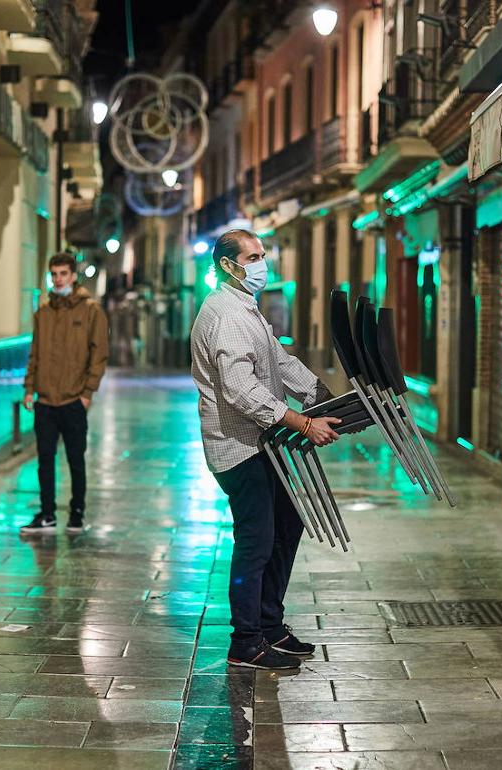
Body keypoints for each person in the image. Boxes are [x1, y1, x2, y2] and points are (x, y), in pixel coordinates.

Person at [190, 229, 340, 670]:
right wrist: (303, 423)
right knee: (256, 542)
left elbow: (280, 360)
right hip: (238, 448)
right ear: (227, 265)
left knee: (287, 525)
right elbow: (240, 390)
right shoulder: (225, 316)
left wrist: (318, 393)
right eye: (252, 257)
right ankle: (246, 641)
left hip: (263, 444)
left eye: (262, 255)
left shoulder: (247, 310)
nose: (261, 265)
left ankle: (270, 625)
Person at [21, 252, 109, 534]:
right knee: (45, 460)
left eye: (63, 274)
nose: (58, 279)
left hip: (73, 400)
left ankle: (77, 512)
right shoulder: (43, 313)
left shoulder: (91, 311)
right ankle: (47, 514)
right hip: (45, 400)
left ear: (73, 276)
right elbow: (34, 353)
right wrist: (29, 389)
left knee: (75, 459)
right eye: (54, 274)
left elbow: (99, 354)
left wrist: (87, 393)